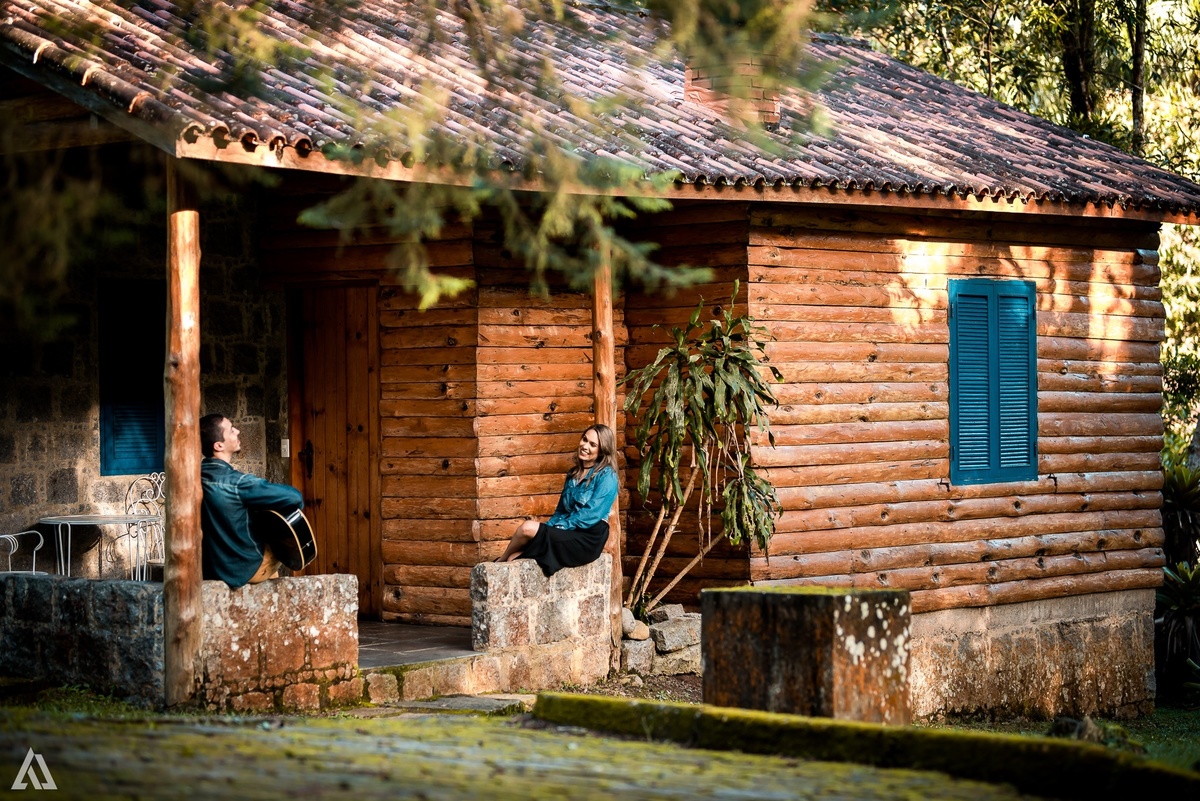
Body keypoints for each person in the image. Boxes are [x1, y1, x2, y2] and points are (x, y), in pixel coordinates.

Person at [494, 423, 619, 576]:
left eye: (593, 445)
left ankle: (498, 563)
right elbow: (561, 511)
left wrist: (560, 527)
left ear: (602, 451)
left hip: (588, 537)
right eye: (584, 439)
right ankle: (503, 561)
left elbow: (591, 514)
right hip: (569, 530)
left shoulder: (607, 476)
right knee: (514, 558)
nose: (585, 446)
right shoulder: (573, 474)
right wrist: (550, 527)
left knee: (527, 528)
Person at [199, 413, 303, 589]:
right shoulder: (238, 482)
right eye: (231, 430)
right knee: (275, 544)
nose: (237, 431)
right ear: (219, 445)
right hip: (243, 570)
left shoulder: (195, 477)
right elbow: (295, 498)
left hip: (211, 568)